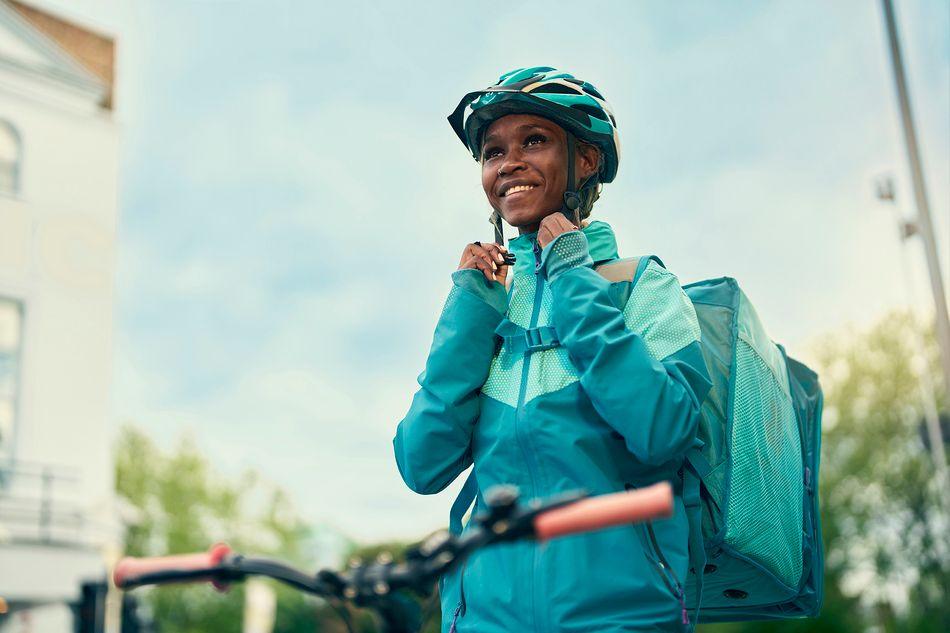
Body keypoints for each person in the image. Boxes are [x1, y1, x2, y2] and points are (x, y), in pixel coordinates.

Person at [393, 66, 712, 633]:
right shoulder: (489, 305)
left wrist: (571, 271)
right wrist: (468, 311)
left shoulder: (641, 285)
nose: (508, 163)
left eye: (534, 141)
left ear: (586, 161)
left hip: (620, 618)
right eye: (493, 152)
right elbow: (421, 463)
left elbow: (663, 428)